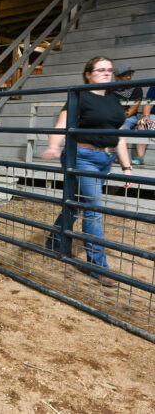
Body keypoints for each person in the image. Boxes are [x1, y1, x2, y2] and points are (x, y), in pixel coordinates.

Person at [41, 56, 133, 288]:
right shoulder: (79, 96)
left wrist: (127, 167)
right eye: (100, 70)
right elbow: (61, 125)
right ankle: (98, 267)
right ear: (88, 74)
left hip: (106, 158)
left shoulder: (114, 99)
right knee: (93, 209)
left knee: (76, 203)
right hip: (82, 156)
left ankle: (54, 242)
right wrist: (54, 146)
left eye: (109, 70)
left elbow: (119, 135)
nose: (106, 73)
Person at [111, 64, 142, 132]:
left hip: (128, 118)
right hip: (111, 116)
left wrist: (117, 118)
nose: (129, 77)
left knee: (122, 128)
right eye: (125, 75)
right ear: (117, 77)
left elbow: (132, 110)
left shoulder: (136, 89)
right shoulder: (110, 89)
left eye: (130, 74)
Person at [132, 86, 155, 165]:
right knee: (142, 124)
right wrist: (146, 116)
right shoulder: (154, 87)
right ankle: (140, 157)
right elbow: (147, 103)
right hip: (154, 117)